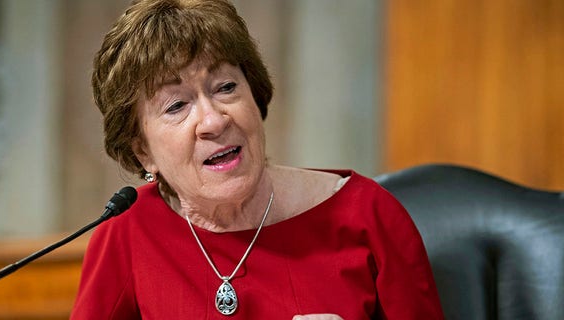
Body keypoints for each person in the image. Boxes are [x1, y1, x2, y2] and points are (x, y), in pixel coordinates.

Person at [71, 0, 444, 319]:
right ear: (143, 151)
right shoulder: (126, 237)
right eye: (177, 105)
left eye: (226, 87)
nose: (214, 121)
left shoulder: (370, 216)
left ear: (255, 95)